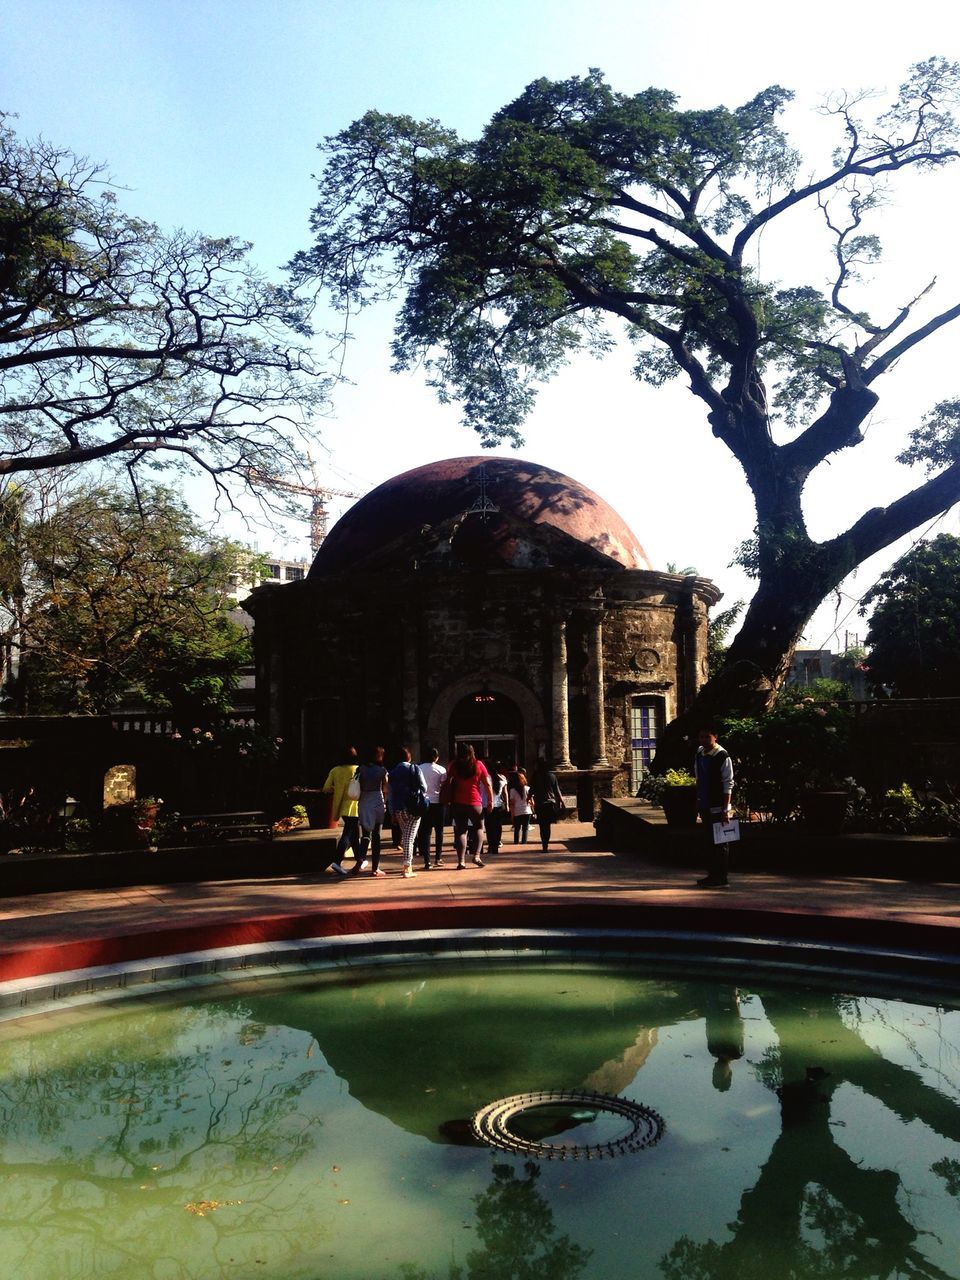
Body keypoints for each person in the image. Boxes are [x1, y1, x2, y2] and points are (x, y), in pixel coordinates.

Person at [694, 722, 735, 888]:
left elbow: (728, 783)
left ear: (715, 737)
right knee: (709, 841)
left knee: (720, 842)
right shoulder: (700, 752)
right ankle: (712, 874)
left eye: (707, 737)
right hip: (705, 802)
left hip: (718, 804)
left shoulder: (722, 756)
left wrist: (726, 808)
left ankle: (721, 876)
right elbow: (698, 776)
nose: (704, 740)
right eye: (702, 736)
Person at [446, 741, 494, 869]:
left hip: (458, 802)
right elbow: (487, 784)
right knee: (479, 827)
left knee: (461, 831)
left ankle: (461, 861)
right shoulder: (478, 764)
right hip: (475, 802)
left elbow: (448, 781)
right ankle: (477, 855)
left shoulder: (454, 765)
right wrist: (490, 801)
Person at [388, 747, 428, 878]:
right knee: (409, 838)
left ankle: (407, 866)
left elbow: (391, 794)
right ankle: (407, 867)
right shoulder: (414, 768)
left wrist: (392, 812)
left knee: (406, 836)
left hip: (399, 809)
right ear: (409, 757)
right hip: (413, 808)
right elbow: (424, 787)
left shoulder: (392, 773)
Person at [321, 746, 361, 875]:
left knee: (354, 834)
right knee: (348, 834)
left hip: (342, 806)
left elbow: (326, 788)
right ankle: (337, 861)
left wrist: (338, 788)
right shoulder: (358, 770)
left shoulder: (335, 770)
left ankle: (360, 859)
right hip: (356, 805)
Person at [355, 745, 389, 876]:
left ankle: (361, 859)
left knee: (365, 835)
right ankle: (375, 868)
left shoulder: (360, 769)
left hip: (363, 801)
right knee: (377, 836)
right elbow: (386, 789)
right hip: (377, 801)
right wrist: (385, 802)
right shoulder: (382, 770)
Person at [417, 746, 448, 869]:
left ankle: (427, 860)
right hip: (438, 802)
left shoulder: (419, 768)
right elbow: (444, 785)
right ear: (436, 757)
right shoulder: (441, 769)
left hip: (424, 803)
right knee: (439, 831)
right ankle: (438, 857)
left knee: (425, 832)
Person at [530, 759, 564, 852]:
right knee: (547, 825)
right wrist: (561, 801)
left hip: (540, 804)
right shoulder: (552, 776)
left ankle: (544, 845)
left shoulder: (535, 776)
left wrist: (528, 798)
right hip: (550, 804)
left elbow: (531, 789)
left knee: (542, 825)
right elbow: (557, 790)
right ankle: (546, 845)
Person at [484, 760, 509, 856]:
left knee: (489, 827)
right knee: (498, 826)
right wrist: (507, 805)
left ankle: (491, 846)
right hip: (499, 805)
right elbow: (505, 793)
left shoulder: (486, 778)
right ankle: (496, 845)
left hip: (488, 805)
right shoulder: (502, 778)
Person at [508, 766, 533, 844]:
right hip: (527, 811)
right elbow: (532, 802)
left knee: (517, 829)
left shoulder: (512, 790)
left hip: (517, 811)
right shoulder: (527, 788)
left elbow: (512, 804)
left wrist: (512, 814)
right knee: (525, 829)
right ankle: (524, 843)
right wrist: (533, 811)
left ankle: (516, 843)